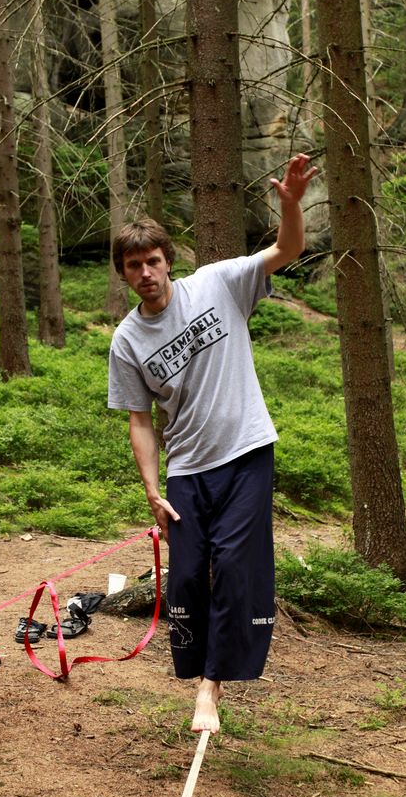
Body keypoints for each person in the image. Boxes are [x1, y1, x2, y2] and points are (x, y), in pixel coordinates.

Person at [108, 153, 317, 734]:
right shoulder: (127, 342)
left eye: (153, 260)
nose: (145, 272)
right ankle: (196, 667)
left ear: (168, 261)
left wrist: (291, 206)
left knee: (232, 566)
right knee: (188, 576)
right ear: (123, 274)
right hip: (187, 471)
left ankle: (211, 688)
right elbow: (140, 421)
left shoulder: (219, 283)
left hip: (247, 452)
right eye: (133, 265)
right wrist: (152, 489)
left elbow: (286, 251)